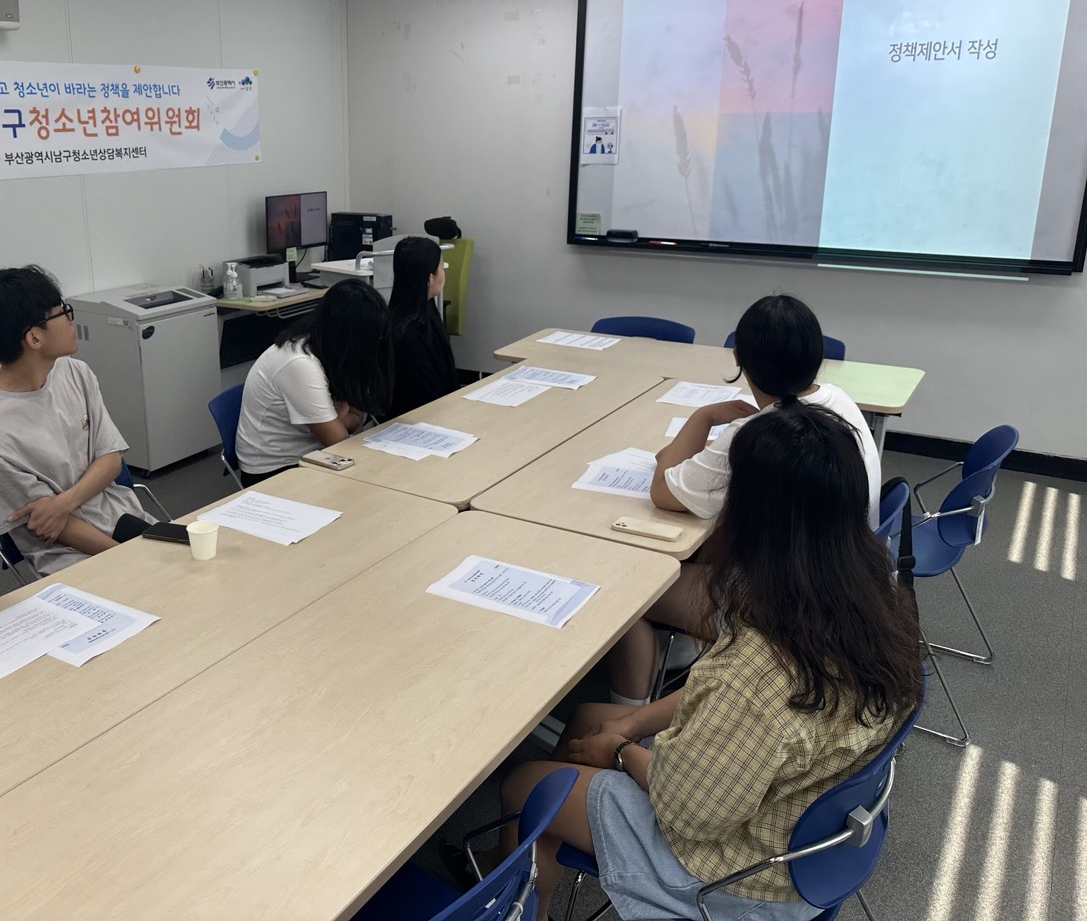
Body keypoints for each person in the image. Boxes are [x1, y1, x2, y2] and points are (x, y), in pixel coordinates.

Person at [492, 405, 923, 921]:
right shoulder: (871, 596)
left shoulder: (759, 671)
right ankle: (526, 863)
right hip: (807, 826)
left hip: (737, 876)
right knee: (589, 718)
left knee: (523, 785)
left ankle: (521, 892)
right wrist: (632, 723)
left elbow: (688, 812)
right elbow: (712, 689)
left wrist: (622, 751)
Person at [604, 294, 881, 702]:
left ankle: (629, 715)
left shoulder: (755, 434)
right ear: (818, 357)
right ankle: (685, 651)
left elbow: (663, 491)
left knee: (630, 586)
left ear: (737, 357)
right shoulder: (837, 400)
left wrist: (703, 417)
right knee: (706, 541)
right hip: (846, 582)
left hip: (783, 613)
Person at [0, 265, 152, 576]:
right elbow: (50, 527)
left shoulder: (75, 372)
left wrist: (62, 504)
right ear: (34, 338)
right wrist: (129, 559)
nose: (70, 320)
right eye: (62, 313)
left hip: (125, 520)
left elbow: (111, 459)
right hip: (68, 557)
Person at [235, 279, 392, 484]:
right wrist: (340, 422)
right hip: (275, 470)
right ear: (351, 337)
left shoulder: (329, 345)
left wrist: (341, 421)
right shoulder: (300, 364)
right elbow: (338, 442)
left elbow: (355, 418)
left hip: (312, 452)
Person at [386, 236, 458, 418]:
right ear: (430, 278)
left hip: (444, 409)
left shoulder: (425, 309)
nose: (444, 272)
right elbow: (427, 398)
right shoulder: (408, 335)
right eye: (441, 267)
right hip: (423, 419)